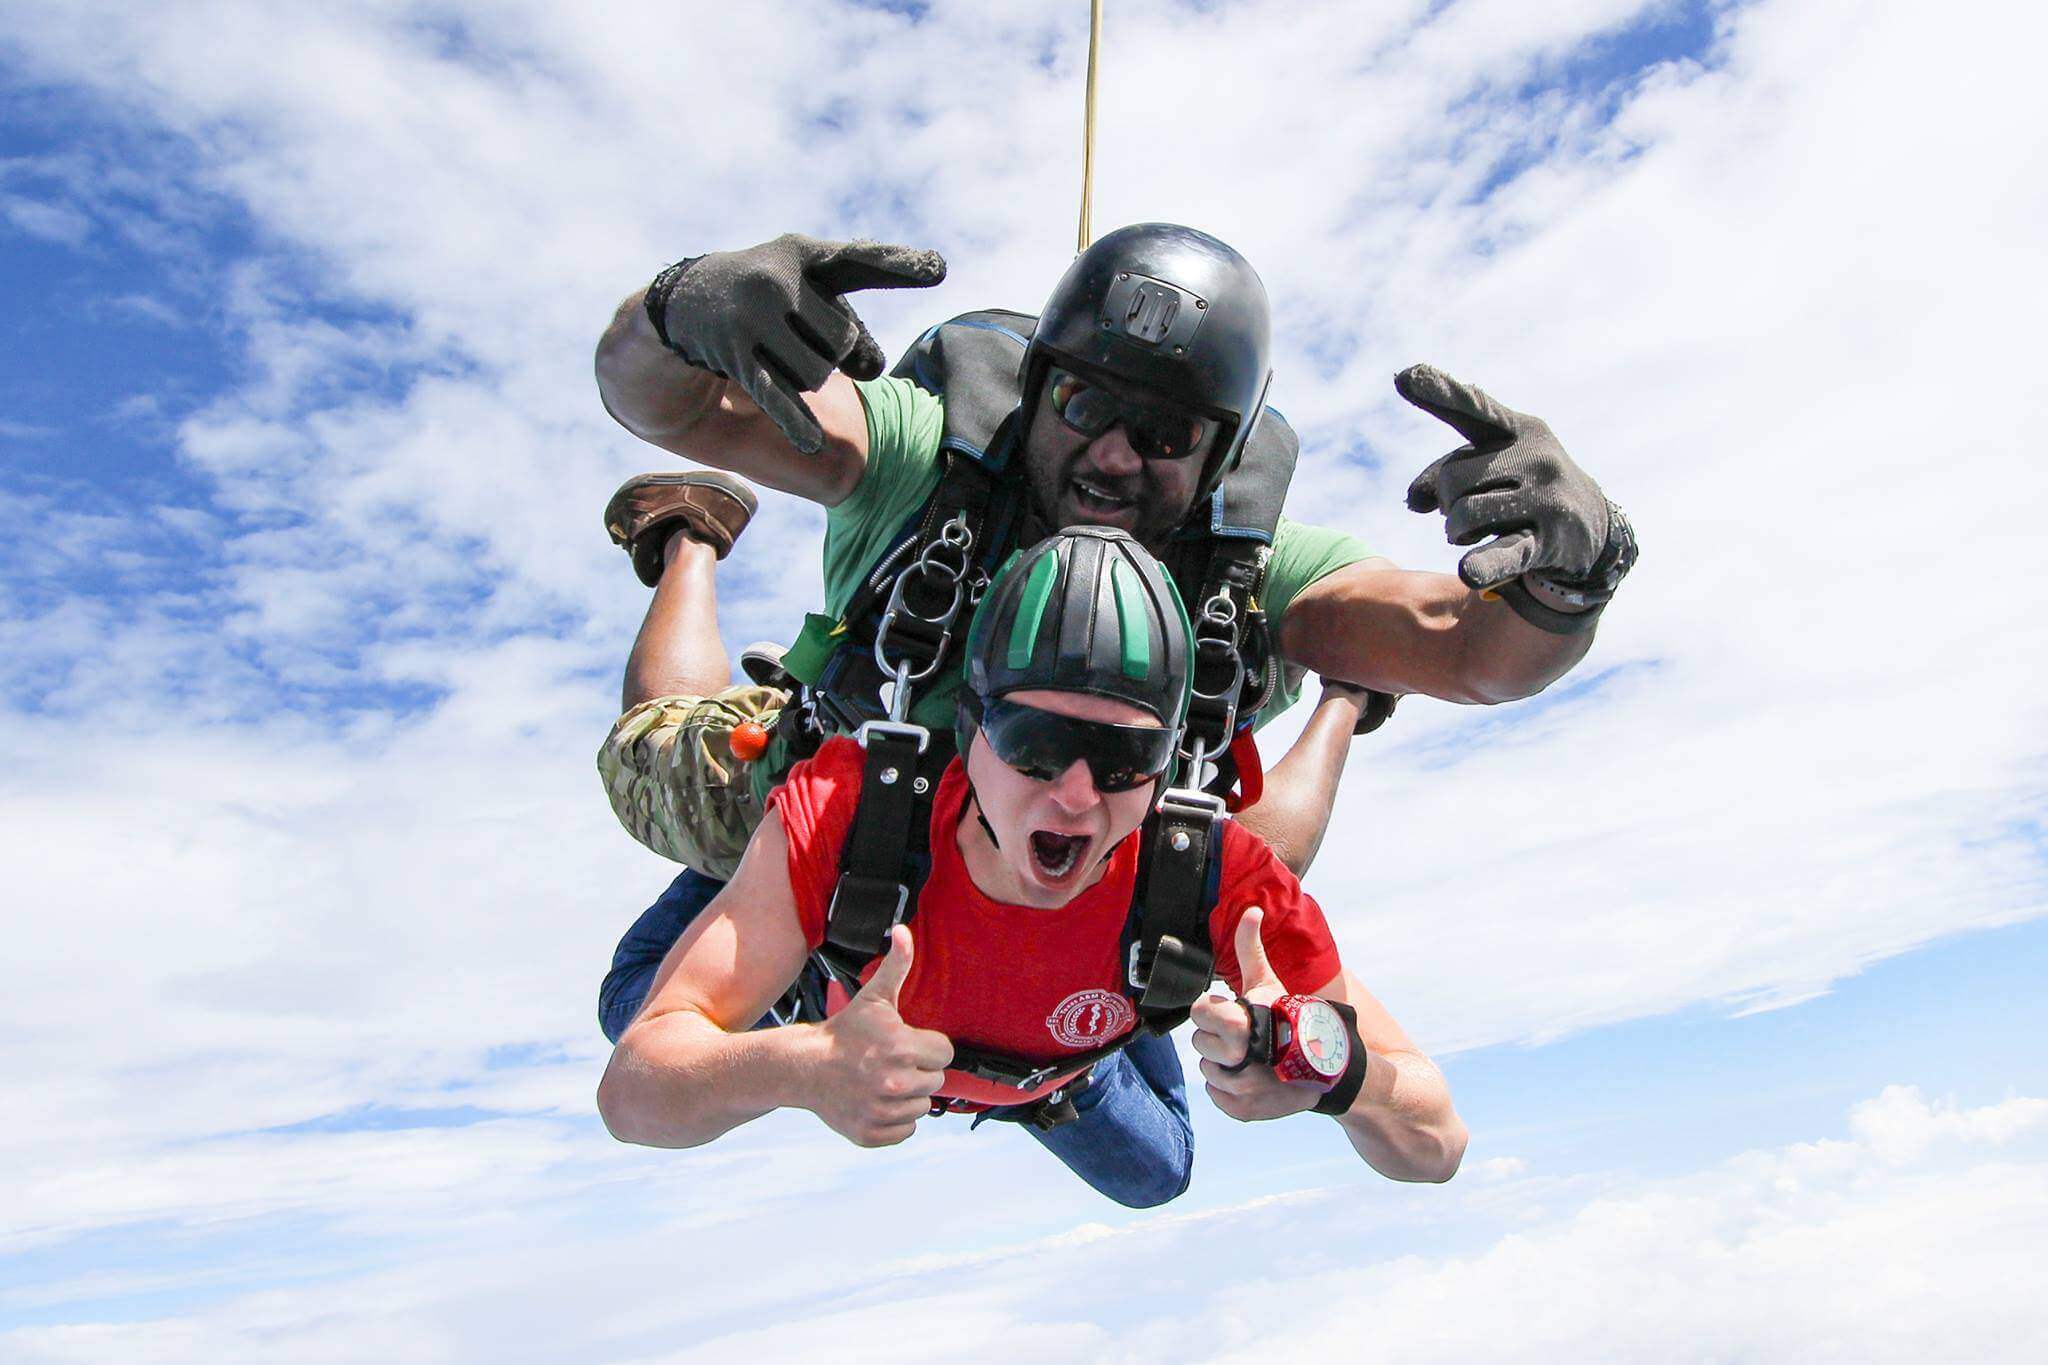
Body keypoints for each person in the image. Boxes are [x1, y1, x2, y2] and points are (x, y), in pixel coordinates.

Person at [590, 224, 1636, 1048]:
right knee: (648, 753)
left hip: (1070, 872)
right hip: (825, 801)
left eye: (1167, 435)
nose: (1115, 456)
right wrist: (679, 312)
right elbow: (679, 406)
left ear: (1220, 456)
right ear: (1037, 387)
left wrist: (1564, 582)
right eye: (1085, 402)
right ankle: (689, 537)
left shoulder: (1248, 579)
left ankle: (1344, 697)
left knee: (1235, 876)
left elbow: (1470, 650)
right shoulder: (926, 461)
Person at [597, 528, 1467, 1202]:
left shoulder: (1214, 882)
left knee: (1160, 1175)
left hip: (1056, 1058)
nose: (1078, 796)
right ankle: (689, 542)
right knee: (629, 999)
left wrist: (1329, 1072)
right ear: (970, 731)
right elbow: (633, 1092)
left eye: (1125, 758)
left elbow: (1438, 1143)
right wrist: (804, 1066)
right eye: (1037, 745)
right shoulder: (848, 810)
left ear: (1168, 761)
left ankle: (1349, 698)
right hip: (855, 974)